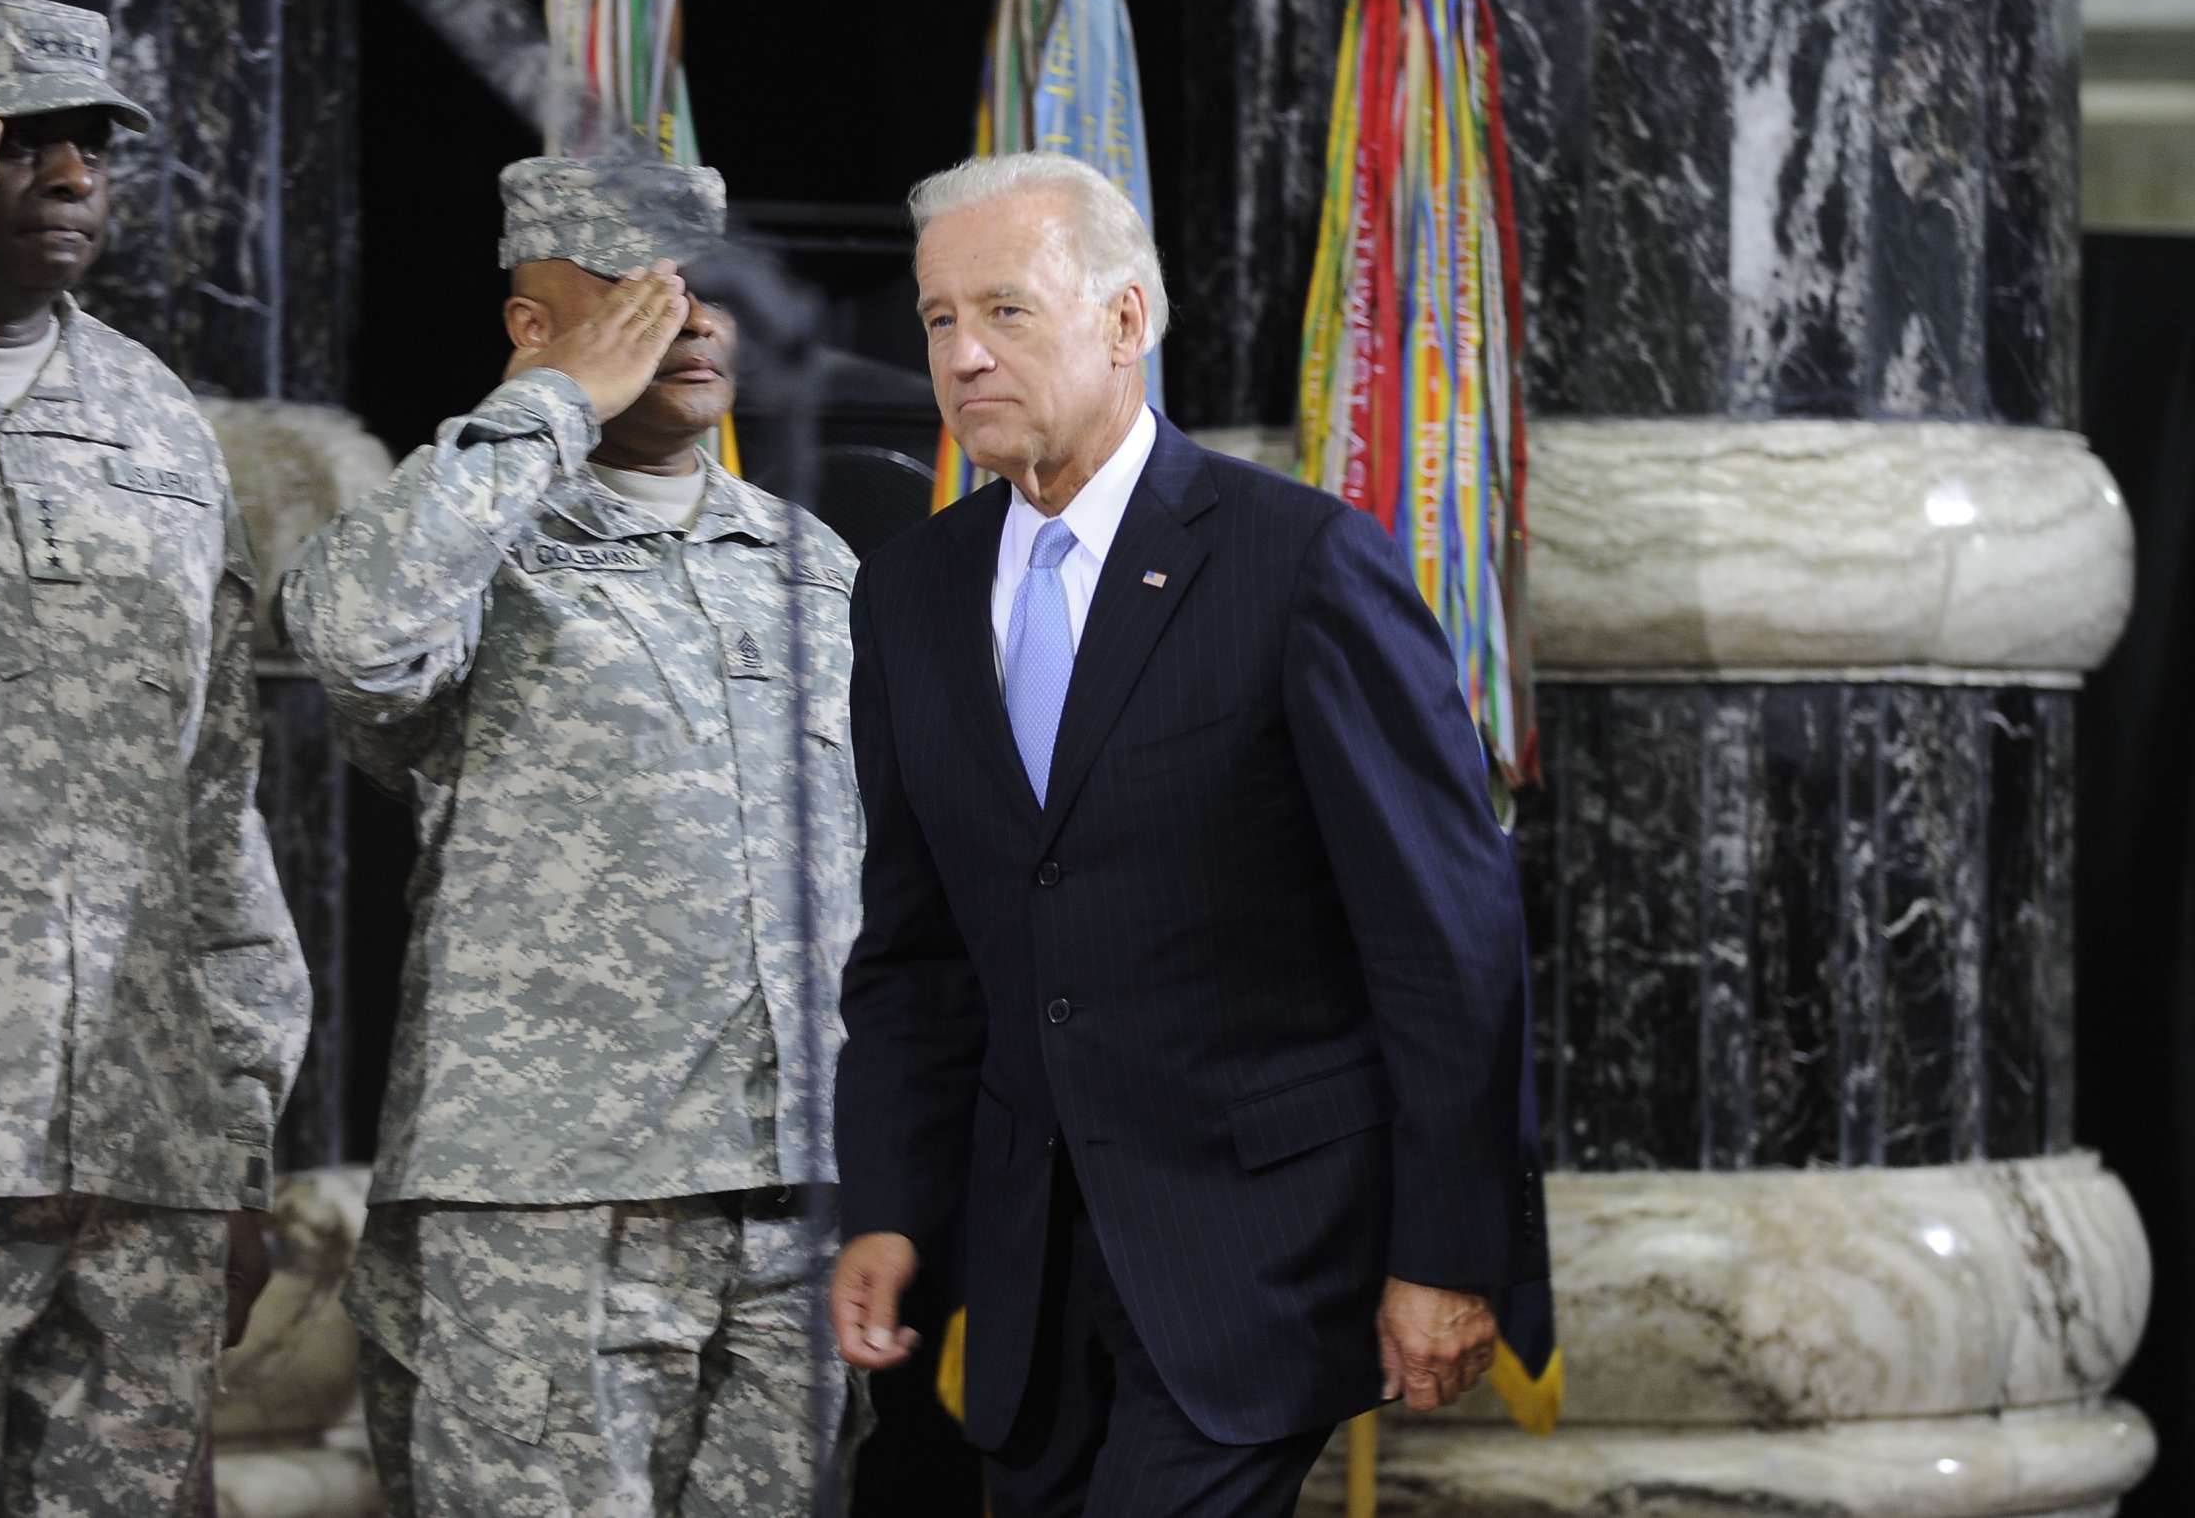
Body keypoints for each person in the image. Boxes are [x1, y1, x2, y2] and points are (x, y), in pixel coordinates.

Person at [828, 152, 1548, 1517]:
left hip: (1258, 1255)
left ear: (1124, 320)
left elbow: (1447, 939)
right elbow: (917, 949)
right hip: (1032, 1273)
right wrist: (892, 1207)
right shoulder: (910, 591)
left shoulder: (1301, 564)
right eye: (937, 321)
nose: (965, 356)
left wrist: (1450, 1250)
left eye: (1006, 312)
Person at [281, 156, 865, 1518]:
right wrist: (548, 413)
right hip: (547, 1203)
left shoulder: (810, 563)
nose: (690, 317)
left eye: (710, 288)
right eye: (635, 289)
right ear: (531, 325)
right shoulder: (476, 537)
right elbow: (355, 632)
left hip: (792, 1196)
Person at [0, 0, 313, 1515]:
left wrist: (233, 1138)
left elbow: (214, 800)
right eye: (17, 141)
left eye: (93, 146)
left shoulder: (154, 423)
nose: (70, 176)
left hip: (140, 1161)